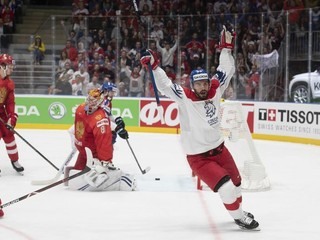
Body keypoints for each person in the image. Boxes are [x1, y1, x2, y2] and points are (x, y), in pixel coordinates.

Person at [140, 26, 260, 230]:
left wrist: (226, 49)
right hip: (199, 157)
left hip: (220, 149)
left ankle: (238, 211)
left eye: (205, 83)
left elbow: (226, 70)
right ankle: (239, 218)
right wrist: (155, 66)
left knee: (237, 185)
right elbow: (165, 86)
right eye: (199, 84)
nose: (203, 87)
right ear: (192, 85)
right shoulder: (184, 96)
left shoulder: (215, 88)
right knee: (227, 187)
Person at [65, 88, 134, 191]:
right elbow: (100, 136)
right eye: (90, 99)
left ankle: (75, 174)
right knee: (93, 173)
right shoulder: (93, 114)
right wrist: (106, 161)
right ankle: (118, 179)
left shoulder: (82, 109)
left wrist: (116, 127)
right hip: (89, 152)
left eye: (94, 100)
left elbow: (101, 124)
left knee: (82, 171)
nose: (91, 102)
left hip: (86, 151)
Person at [0, 54, 24, 173]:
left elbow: (10, 103)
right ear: (2, 66)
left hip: (1, 113)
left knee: (9, 134)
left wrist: (11, 117)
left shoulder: (9, 83)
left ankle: (14, 160)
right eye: (9, 66)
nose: (12, 68)